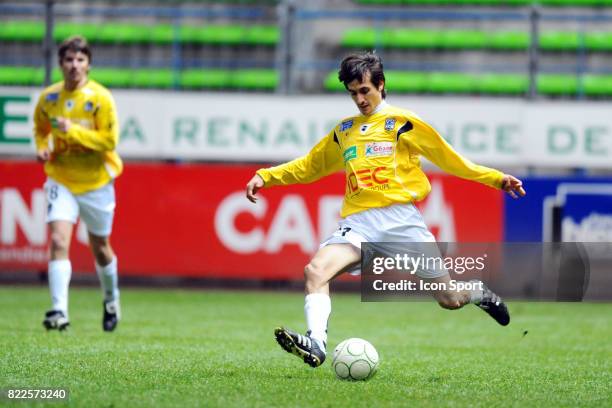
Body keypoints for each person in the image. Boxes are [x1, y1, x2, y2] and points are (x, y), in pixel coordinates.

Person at [245, 52, 526, 368]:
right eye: (353, 93)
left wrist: (496, 179)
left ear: (381, 84)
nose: (360, 99)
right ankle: (317, 344)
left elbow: (449, 159)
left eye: (365, 90)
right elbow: (310, 166)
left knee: (450, 300)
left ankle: (477, 292)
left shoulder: (403, 124)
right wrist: (266, 176)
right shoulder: (345, 131)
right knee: (315, 271)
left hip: (401, 223)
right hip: (359, 224)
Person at [33, 36, 122, 332]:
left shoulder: (100, 99)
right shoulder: (48, 99)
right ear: (61, 64)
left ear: (89, 64)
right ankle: (59, 311)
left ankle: (111, 299)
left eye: (80, 60)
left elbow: (109, 141)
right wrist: (42, 146)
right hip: (61, 177)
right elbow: (40, 130)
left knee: (101, 248)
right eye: (69, 60)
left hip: (96, 182)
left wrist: (73, 133)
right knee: (58, 240)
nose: (74, 66)